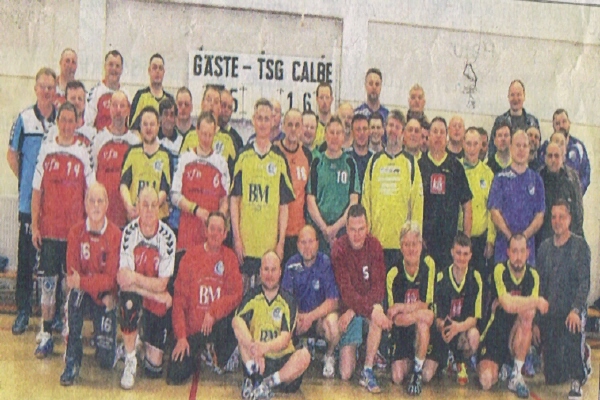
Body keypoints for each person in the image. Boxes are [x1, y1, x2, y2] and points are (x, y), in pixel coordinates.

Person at [31, 102, 95, 358]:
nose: (67, 125)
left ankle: (69, 331)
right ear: (58, 122)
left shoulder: (83, 152)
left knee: (71, 286)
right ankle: (46, 333)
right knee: (48, 286)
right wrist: (35, 225)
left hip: (74, 235)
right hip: (48, 232)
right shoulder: (47, 150)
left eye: (72, 120)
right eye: (63, 120)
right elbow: (37, 192)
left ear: (78, 123)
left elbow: (93, 193)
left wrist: (89, 228)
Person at [8, 67, 57, 335]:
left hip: (55, 209)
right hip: (30, 205)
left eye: (51, 87)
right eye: (43, 86)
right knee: (26, 260)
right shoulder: (25, 118)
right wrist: (25, 183)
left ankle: (53, 317)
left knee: (52, 265)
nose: (47, 92)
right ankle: (23, 311)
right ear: (36, 88)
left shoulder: (64, 119)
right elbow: (12, 154)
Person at [167, 211, 243, 385]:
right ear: (206, 230)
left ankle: (218, 354)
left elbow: (236, 294)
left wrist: (213, 312)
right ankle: (198, 354)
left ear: (225, 234)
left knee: (233, 319)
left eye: (219, 230)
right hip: (194, 329)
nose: (215, 234)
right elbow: (179, 300)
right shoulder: (190, 257)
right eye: (212, 229)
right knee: (175, 375)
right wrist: (181, 336)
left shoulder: (230, 258)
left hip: (217, 325)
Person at [59, 183, 122, 385]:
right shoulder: (75, 232)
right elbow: (72, 275)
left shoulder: (115, 234)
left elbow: (111, 278)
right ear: (85, 204)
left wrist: (86, 283)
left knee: (105, 361)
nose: (95, 205)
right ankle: (72, 360)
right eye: (91, 201)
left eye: (100, 201)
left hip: (105, 297)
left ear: (107, 205)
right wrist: (89, 285)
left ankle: (111, 346)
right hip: (86, 294)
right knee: (74, 299)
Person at [230, 98, 294, 292]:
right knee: (244, 298)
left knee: (266, 298)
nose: (263, 123)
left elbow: (284, 206)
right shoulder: (243, 156)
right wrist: (237, 237)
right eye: (260, 118)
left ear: (273, 121)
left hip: (269, 245)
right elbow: (234, 199)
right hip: (247, 244)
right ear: (253, 120)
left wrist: (281, 242)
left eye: (267, 119)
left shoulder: (279, 159)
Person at [117, 186, 175, 389]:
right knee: (129, 301)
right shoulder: (129, 233)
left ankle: (138, 340)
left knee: (154, 367)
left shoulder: (168, 237)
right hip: (141, 296)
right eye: (145, 205)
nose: (150, 210)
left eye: (153, 205)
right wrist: (155, 293)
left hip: (153, 298)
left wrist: (137, 280)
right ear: (137, 207)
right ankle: (130, 358)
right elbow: (125, 281)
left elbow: (162, 284)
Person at [477, 234, 549, 398]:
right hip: (495, 335)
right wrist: (534, 300)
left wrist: (518, 303)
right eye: (514, 251)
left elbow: (523, 308)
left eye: (522, 251)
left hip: (515, 334)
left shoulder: (533, 275)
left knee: (528, 314)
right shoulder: (499, 270)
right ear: (508, 252)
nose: (518, 256)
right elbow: (507, 305)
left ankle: (515, 375)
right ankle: (502, 367)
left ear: (528, 252)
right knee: (486, 381)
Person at [233, 251, 311, 399]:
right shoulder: (251, 296)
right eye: (266, 269)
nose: (269, 274)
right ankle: (255, 379)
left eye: (273, 269)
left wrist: (264, 348)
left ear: (280, 272)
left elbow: (284, 339)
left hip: (282, 365)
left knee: (304, 355)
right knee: (238, 325)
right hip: (257, 361)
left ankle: (266, 384)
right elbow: (236, 323)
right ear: (260, 272)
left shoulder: (288, 301)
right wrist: (254, 349)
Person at [331, 204, 391, 393]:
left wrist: (362, 310)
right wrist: (355, 309)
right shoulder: (339, 249)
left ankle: (367, 369)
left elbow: (378, 289)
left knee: (378, 312)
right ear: (346, 228)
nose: (357, 235)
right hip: (347, 309)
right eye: (352, 230)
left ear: (367, 227)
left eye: (361, 229)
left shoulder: (374, 246)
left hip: (360, 309)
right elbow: (346, 292)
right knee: (346, 374)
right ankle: (358, 349)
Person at [536, 200, 591, 399]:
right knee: (553, 377)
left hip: (572, 314)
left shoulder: (580, 246)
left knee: (573, 327)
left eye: (562, 217)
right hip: (551, 314)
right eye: (554, 217)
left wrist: (576, 310)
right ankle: (575, 357)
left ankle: (579, 373)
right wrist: (536, 322)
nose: (557, 221)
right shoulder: (544, 248)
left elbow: (584, 283)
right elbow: (540, 287)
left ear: (569, 219)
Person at [362, 115, 423, 270]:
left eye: (397, 127)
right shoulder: (374, 161)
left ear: (402, 131)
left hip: (402, 244)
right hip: (377, 242)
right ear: (384, 129)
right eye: (390, 126)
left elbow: (417, 203)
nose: (393, 130)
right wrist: (366, 234)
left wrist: (413, 239)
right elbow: (365, 199)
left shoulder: (411, 162)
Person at [281, 225, 340, 378]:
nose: (307, 247)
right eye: (303, 242)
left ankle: (329, 355)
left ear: (317, 243)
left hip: (318, 318)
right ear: (297, 245)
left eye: (310, 242)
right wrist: (297, 317)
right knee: (281, 317)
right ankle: (290, 353)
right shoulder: (291, 264)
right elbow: (284, 300)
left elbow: (333, 301)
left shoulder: (325, 263)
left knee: (333, 324)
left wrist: (310, 317)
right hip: (299, 319)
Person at [386, 221, 436, 396]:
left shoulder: (429, 265)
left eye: (414, 244)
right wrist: (418, 313)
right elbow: (396, 319)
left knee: (424, 324)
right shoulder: (393, 273)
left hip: (420, 329)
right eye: (407, 244)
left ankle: (417, 371)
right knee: (398, 376)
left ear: (421, 246)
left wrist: (402, 306)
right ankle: (413, 360)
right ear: (400, 247)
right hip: (402, 332)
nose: (411, 249)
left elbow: (426, 303)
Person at [171, 111, 229, 254]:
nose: (206, 139)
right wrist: (195, 209)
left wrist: (217, 221)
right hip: (187, 234)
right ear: (196, 130)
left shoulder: (221, 163)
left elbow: (225, 199)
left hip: (210, 238)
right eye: (203, 134)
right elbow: (174, 195)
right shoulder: (185, 158)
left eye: (210, 135)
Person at [419, 117, 472, 270]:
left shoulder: (456, 167)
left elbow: (467, 204)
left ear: (447, 137)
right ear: (428, 135)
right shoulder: (419, 165)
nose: (438, 135)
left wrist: (465, 239)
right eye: (434, 131)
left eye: (442, 132)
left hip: (449, 244)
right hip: (424, 243)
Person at [430, 233, 482, 385]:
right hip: (443, 332)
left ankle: (462, 361)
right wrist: (442, 327)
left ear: (471, 255)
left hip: (462, 332)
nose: (461, 257)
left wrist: (457, 328)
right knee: (427, 374)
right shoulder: (441, 277)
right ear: (452, 252)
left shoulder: (475, 278)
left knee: (474, 336)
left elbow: (475, 318)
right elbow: (436, 315)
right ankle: (446, 360)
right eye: (458, 253)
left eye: (465, 254)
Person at [488, 129, 545, 265]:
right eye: (517, 145)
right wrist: (511, 238)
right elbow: (494, 213)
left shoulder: (536, 180)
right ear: (511, 148)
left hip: (527, 251)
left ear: (529, 149)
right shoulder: (500, 178)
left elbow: (540, 216)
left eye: (524, 146)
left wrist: (523, 239)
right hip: (504, 249)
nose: (521, 149)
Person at [307, 117, 360, 253]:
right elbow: (310, 200)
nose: (335, 137)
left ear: (343, 136)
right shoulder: (317, 162)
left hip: (342, 231)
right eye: (331, 132)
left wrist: (335, 228)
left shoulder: (350, 163)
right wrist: (325, 229)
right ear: (325, 135)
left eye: (338, 133)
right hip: (319, 231)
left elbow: (354, 201)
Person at [91, 90, 140, 228]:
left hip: (127, 216)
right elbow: (92, 176)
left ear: (128, 110)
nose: (118, 110)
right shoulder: (99, 139)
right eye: (115, 105)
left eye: (122, 106)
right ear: (109, 108)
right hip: (103, 215)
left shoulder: (135, 142)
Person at [274, 109, 313, 263]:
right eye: (290, 124)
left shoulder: (307, 155)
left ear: (302, 128)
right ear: (283, 126)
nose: (293, 129)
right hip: (275, 232)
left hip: (298, 233)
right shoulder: (274, 152)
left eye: (297, 125)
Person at [120, 106, 171, 222]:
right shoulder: (132, 152)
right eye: (145, 124)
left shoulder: (165, 155)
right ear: (140, 127)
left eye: (152, 124)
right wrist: (129, 207)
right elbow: (123, 184)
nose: (149, 128)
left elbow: (164, 189)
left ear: (158, 126)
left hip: (158, 219)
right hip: (135, 217)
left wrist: (150, 209)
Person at [461, 128, 495, 281]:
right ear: (463, 144)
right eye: (468, 143)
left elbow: (492, 210)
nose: (472, 148)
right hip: (460, 238)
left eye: (476, 144)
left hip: (480, 241)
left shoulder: (488, 173)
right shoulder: (456, 168)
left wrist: (490, 239)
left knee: (478, 283)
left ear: (482, 146)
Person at [536, 142, 584, 249]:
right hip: (543, 243)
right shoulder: (538, 178)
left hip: (568, 244)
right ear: (544, 158)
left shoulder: (572, 179)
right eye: (550, 156)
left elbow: (578, 214)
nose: (553, 160)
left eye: (556, 156)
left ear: (563, 158)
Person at [180, 86, 237, 174]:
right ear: (202, 104)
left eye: (216, 102)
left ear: (220, 108)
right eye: (209, 100)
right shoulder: (190, 137)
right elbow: (180, 170)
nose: (212, 104)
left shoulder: (228, 140)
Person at [538, 109, 590, 195]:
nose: (561, 126)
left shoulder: (578, 147)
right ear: (553, 126)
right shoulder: (545, 147)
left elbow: (586, 174)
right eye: (557, 123)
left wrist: (575, 192)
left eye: (564, 122)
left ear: (569, 123)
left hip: (572, 199)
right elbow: (540, 172)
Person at [488, 80, 540, 158]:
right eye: (512, 95)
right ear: (508, 97)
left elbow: (537, 151)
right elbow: (492, 149)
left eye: (519, 95)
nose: (515, 98)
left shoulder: (533, 122)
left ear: (524, 96)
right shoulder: (499, 121)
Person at [129, 54, 174, 131]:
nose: (157, 71)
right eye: (154, 67)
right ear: (149, 71)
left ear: (164, 72)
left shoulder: (170, 99)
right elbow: (132, 126)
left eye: (160, 68)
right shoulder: (140, 95)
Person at [85, 50, 126, 131]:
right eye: (111, 65)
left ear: (121, 70)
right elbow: (88, 125)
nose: (114, 69)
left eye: (117, 66)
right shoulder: (95, 93)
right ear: (104, 67)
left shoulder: (126, 95)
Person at [347, 114, 373, 188]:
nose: (362, 133)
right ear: (352, 133)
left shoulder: (375, 159)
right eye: (358, 130)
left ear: (369, 132)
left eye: (365, 129)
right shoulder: (345, 158)